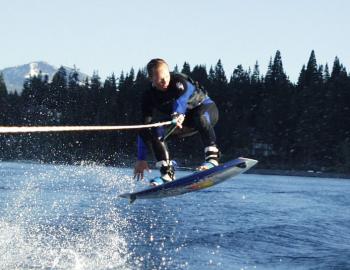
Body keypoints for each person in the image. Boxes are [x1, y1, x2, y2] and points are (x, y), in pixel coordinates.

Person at [133, 58, 220, 186]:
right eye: (159, 78)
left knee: (199, 116)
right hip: (183, 122)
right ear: (150, 78)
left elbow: (182, 100)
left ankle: (213, 159)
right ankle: (167, 174)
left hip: (207, 112)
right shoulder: (149, 96)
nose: (165, 81)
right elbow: (145, 127)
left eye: (167, 76)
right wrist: (141, 158)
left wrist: (178, 114)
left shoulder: (180, 82)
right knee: (156, 130)